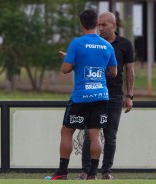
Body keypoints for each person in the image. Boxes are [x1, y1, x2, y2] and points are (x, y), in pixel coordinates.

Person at [47, 9, 117, 180]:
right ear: (96, 24)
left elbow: (65, 69)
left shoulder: (77, 44)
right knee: (95, 134)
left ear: (81, 25)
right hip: (101, 95)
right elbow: (113, 72)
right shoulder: (107, 45)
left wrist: (73, 59)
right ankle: (92, 173)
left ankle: (62, 171)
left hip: (81, 97)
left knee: (66, 131)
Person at [77, 11, 134, 180]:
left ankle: (106, 171)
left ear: (113, 25)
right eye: (98, 25)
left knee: (110, 135)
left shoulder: (125, 44)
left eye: (104, 25)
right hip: (93, 93)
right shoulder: (94, 43)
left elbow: (130, 71)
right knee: (90, 134)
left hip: (115, 95)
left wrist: (130, 95)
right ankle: (86, 171)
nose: (100, 28)